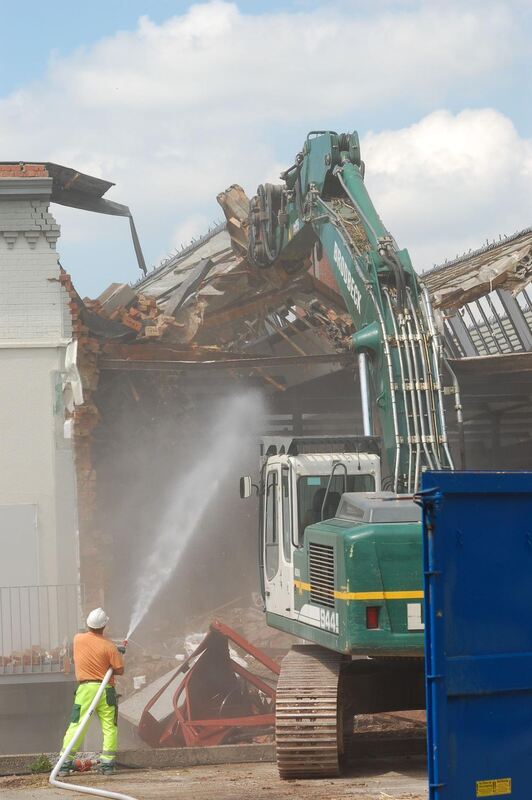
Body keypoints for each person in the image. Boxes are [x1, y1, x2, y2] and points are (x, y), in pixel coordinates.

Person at [59, 608, 124, 776]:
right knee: (110, 727)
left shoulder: (77, 639)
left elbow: (92, 649)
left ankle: (64, 764)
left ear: (88, 624)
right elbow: (119, 669)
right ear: (105, 626)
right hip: (106, 691)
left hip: (86, 690)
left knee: (77, 725)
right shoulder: (109, 646)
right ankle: (107, 765)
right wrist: (118, 653)